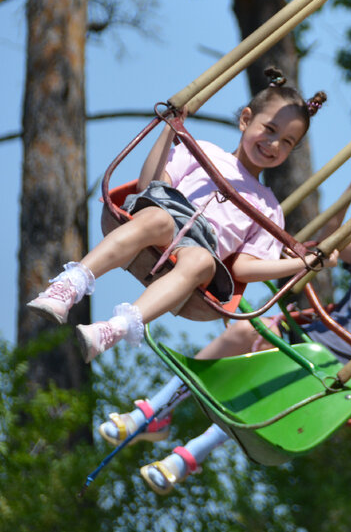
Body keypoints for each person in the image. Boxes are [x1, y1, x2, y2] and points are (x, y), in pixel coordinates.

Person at [98, 175, 351, 495]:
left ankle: (192, 453)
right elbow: (334, 240)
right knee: (244, 331)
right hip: (310, 337)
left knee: (281, 384)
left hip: (344, 371)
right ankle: (158, 409)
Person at [27, 67, 328, 361]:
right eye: (269, 129)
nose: (273, 144)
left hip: (203, 251)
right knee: (159, 219)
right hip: (166, 215)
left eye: (287, 142)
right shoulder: (205, 152)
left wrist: (300, 265)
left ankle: (116, 328)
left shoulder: (269, 208)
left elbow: (242, 268)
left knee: (199, 260)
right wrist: (168, 129)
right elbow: (151, 185)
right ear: (246, 120)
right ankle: (70, 284)